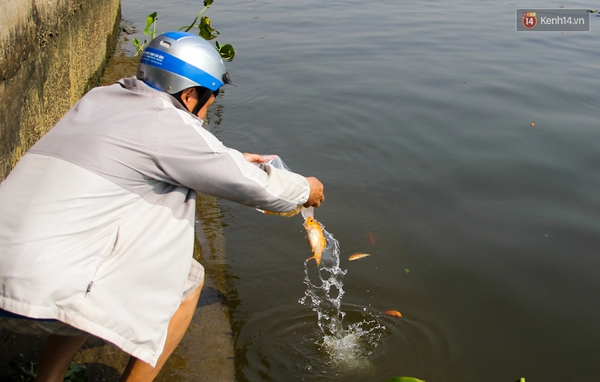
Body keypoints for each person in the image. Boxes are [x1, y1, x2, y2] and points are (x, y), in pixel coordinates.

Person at [0, 31, 324, 381]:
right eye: (208, 102)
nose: (206, 112)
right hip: (33, 295)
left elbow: (177, 153)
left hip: (14, 270)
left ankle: (48, 378)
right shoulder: (165, 124)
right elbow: (253, 186)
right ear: (189, 94)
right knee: (188, 280)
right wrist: (306, 189)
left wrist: (231, 159)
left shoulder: (101, 99)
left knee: (94, 263)